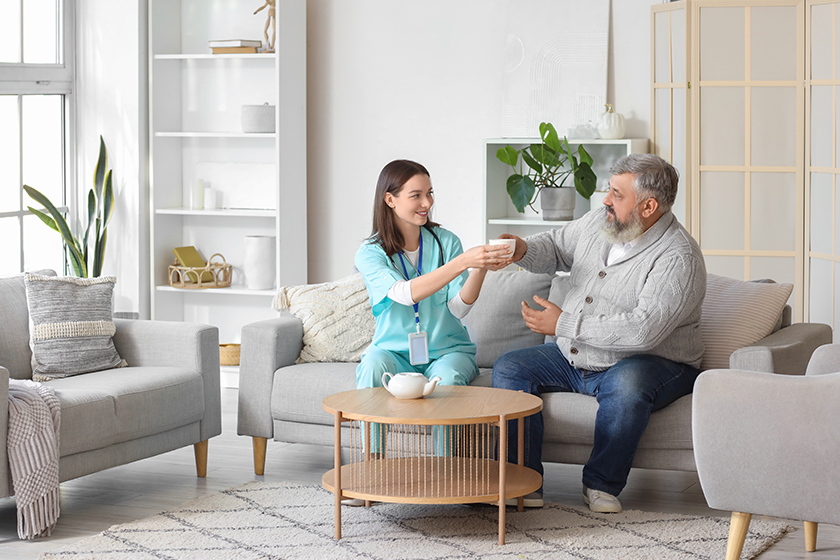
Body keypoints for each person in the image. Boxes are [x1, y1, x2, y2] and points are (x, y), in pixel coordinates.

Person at [492, 153, 706, 513]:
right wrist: (522, 248)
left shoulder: (678, 257)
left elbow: (643, 329)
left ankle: (601, 484)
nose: (606, 199)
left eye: (617, 194)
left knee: (628, 384)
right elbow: (557, 246)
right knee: (512, 367)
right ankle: (522, 482)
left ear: (649, 206)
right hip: (579, 353)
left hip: (652, 361)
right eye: (610, 189)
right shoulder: (601, 221)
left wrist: (563, 324)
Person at [355, 159, 513, 456]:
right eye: (416, 195)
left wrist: (480, 267)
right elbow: (403, 294)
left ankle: (444, 465)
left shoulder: (446, 242)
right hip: (393, 352)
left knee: (448, 378)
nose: (427, 203)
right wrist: (462, 262)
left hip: (447, 351)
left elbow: (458, 308)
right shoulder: (371, 253)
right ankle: (371, 461)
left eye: (429, 193)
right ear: (390, 199)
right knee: (372, 365)